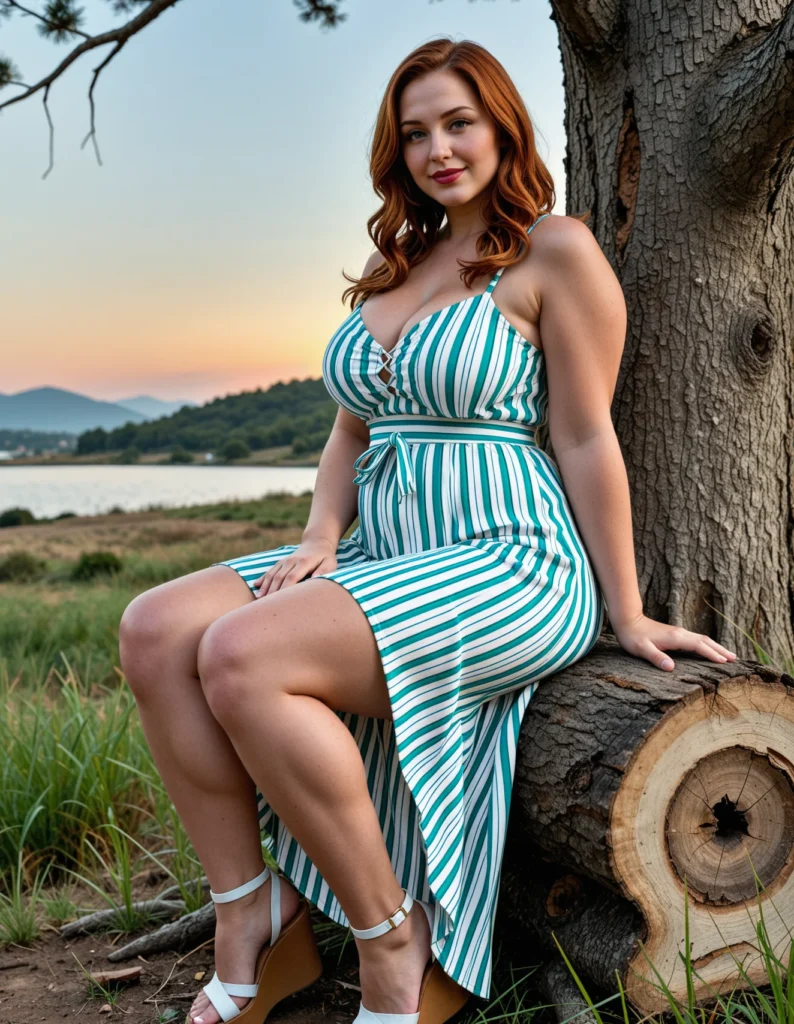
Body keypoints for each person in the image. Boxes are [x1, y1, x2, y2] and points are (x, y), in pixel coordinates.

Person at [118, 36, 737, 1024]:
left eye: (458, 123)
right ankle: (251, 915)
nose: (437, 148)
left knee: (239, 655)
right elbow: (349, 426)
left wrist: (623, 609)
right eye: (414, 133)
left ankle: (389, 934)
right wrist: (321, 529)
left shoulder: (552, 251)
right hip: (379, 551)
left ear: (500, 126)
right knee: (154, 627)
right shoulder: (394, 260)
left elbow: (583, 437)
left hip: (505, 556)